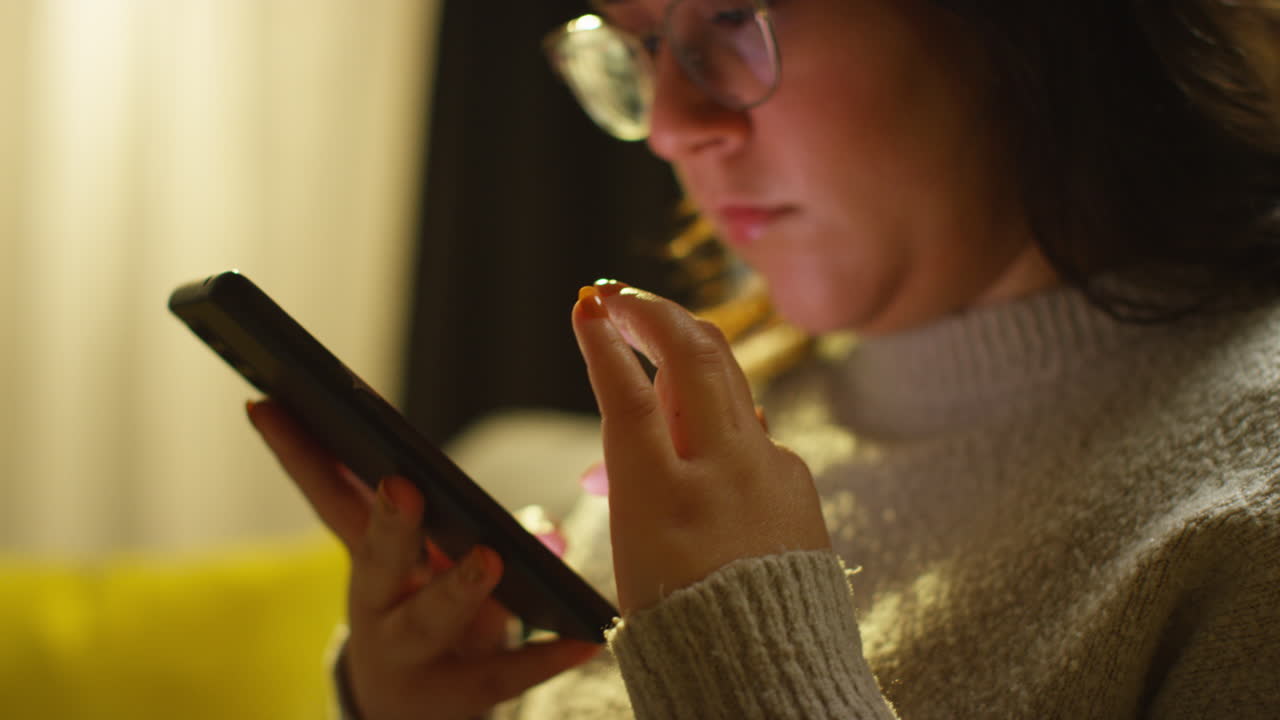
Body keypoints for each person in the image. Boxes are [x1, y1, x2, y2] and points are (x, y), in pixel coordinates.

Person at [247, 0, 1280, 717]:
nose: (665, 126)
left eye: (732, 19)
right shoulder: (761, 397)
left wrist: (747, 652)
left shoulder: (1245, 506)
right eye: (636, 49)